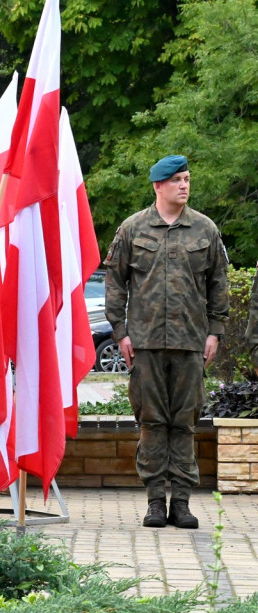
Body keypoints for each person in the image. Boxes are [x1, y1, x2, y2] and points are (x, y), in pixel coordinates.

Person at [104, 154, 229, 529]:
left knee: (185, 422)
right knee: (152, 422)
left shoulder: (205, 230)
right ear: (158, 186)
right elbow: (115, 281)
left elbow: (218, 284)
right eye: (177, 180)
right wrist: (120, 332)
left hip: (190, 342)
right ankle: (156, 501)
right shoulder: (133, 228)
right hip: (145, 343)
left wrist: (214, 332)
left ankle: (183, 503)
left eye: (188, 178)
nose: (185, 185)